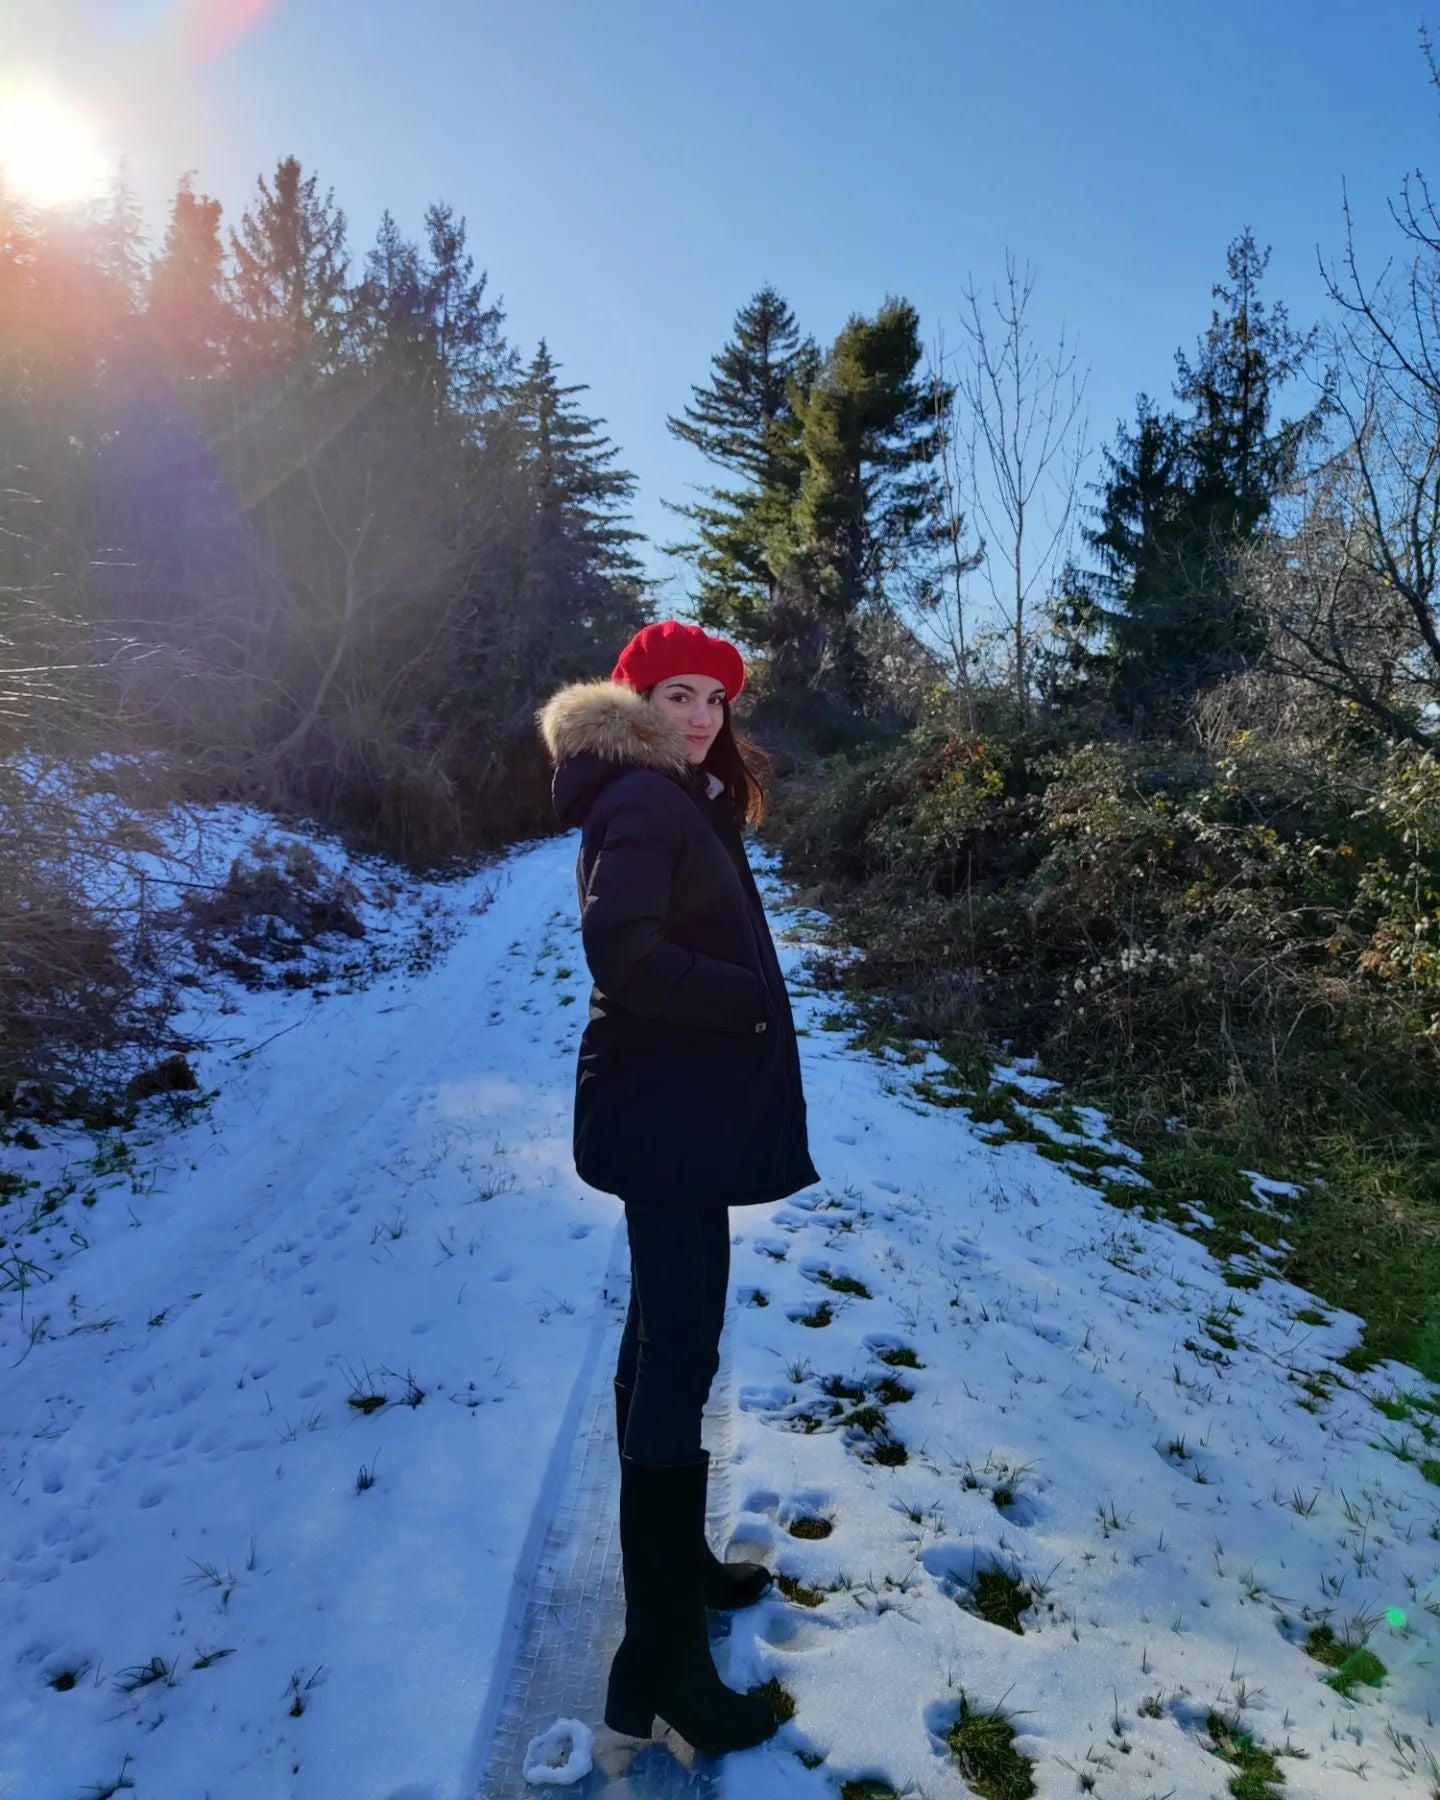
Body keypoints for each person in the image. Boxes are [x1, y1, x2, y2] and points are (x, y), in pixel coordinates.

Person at [537, 619, 820, 1756]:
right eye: (677, 695)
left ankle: (678, 1572)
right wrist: (747, 996)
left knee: (663, 1343)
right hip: (668, 1122)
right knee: (680, 1354)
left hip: (676, 1118)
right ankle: (659, 1650)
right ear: (635, 702)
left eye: (716, 697)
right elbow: (623, 951)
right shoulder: (646, 802)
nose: (701, 716)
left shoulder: (673, 793)